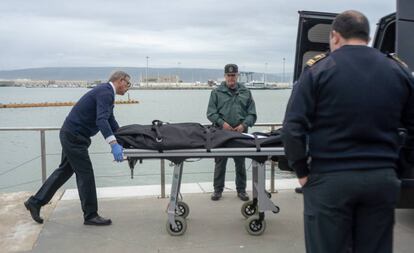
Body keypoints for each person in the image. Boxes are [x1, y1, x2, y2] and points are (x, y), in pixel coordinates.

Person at [283, 10, 414, 253]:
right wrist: (399, 164)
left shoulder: (318, 70)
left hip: (329, 181)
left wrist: (301, 170)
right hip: (380, 180)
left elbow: (292, 127)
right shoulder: (398, 70)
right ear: (367, 35)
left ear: (334, 36)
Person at [24, 71, 132, 226]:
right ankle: (90, 215)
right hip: (74, 137)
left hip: (72, 135)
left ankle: (35, 202)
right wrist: (114, 144)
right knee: (85, 174)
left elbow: (110, 120)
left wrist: (125, 137)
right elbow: (101, 120)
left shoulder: (106, 92)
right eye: (128, 84)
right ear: (120, 80)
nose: (128, 88)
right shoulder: (106, 92)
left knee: (64, 171)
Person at [207, 63, 257, 201]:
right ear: (225, 76)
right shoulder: (216, 93)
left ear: (237, 75)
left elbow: (252, 114)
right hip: (221, 133)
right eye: (228, 75)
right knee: (220, 162)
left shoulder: (246, 92)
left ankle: (241, 190)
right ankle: (217, 190)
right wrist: (222, 123)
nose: (231, 78)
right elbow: (211, 113)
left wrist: (244, 124)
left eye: (233, 75)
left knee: (240, 163)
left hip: (240, 134)